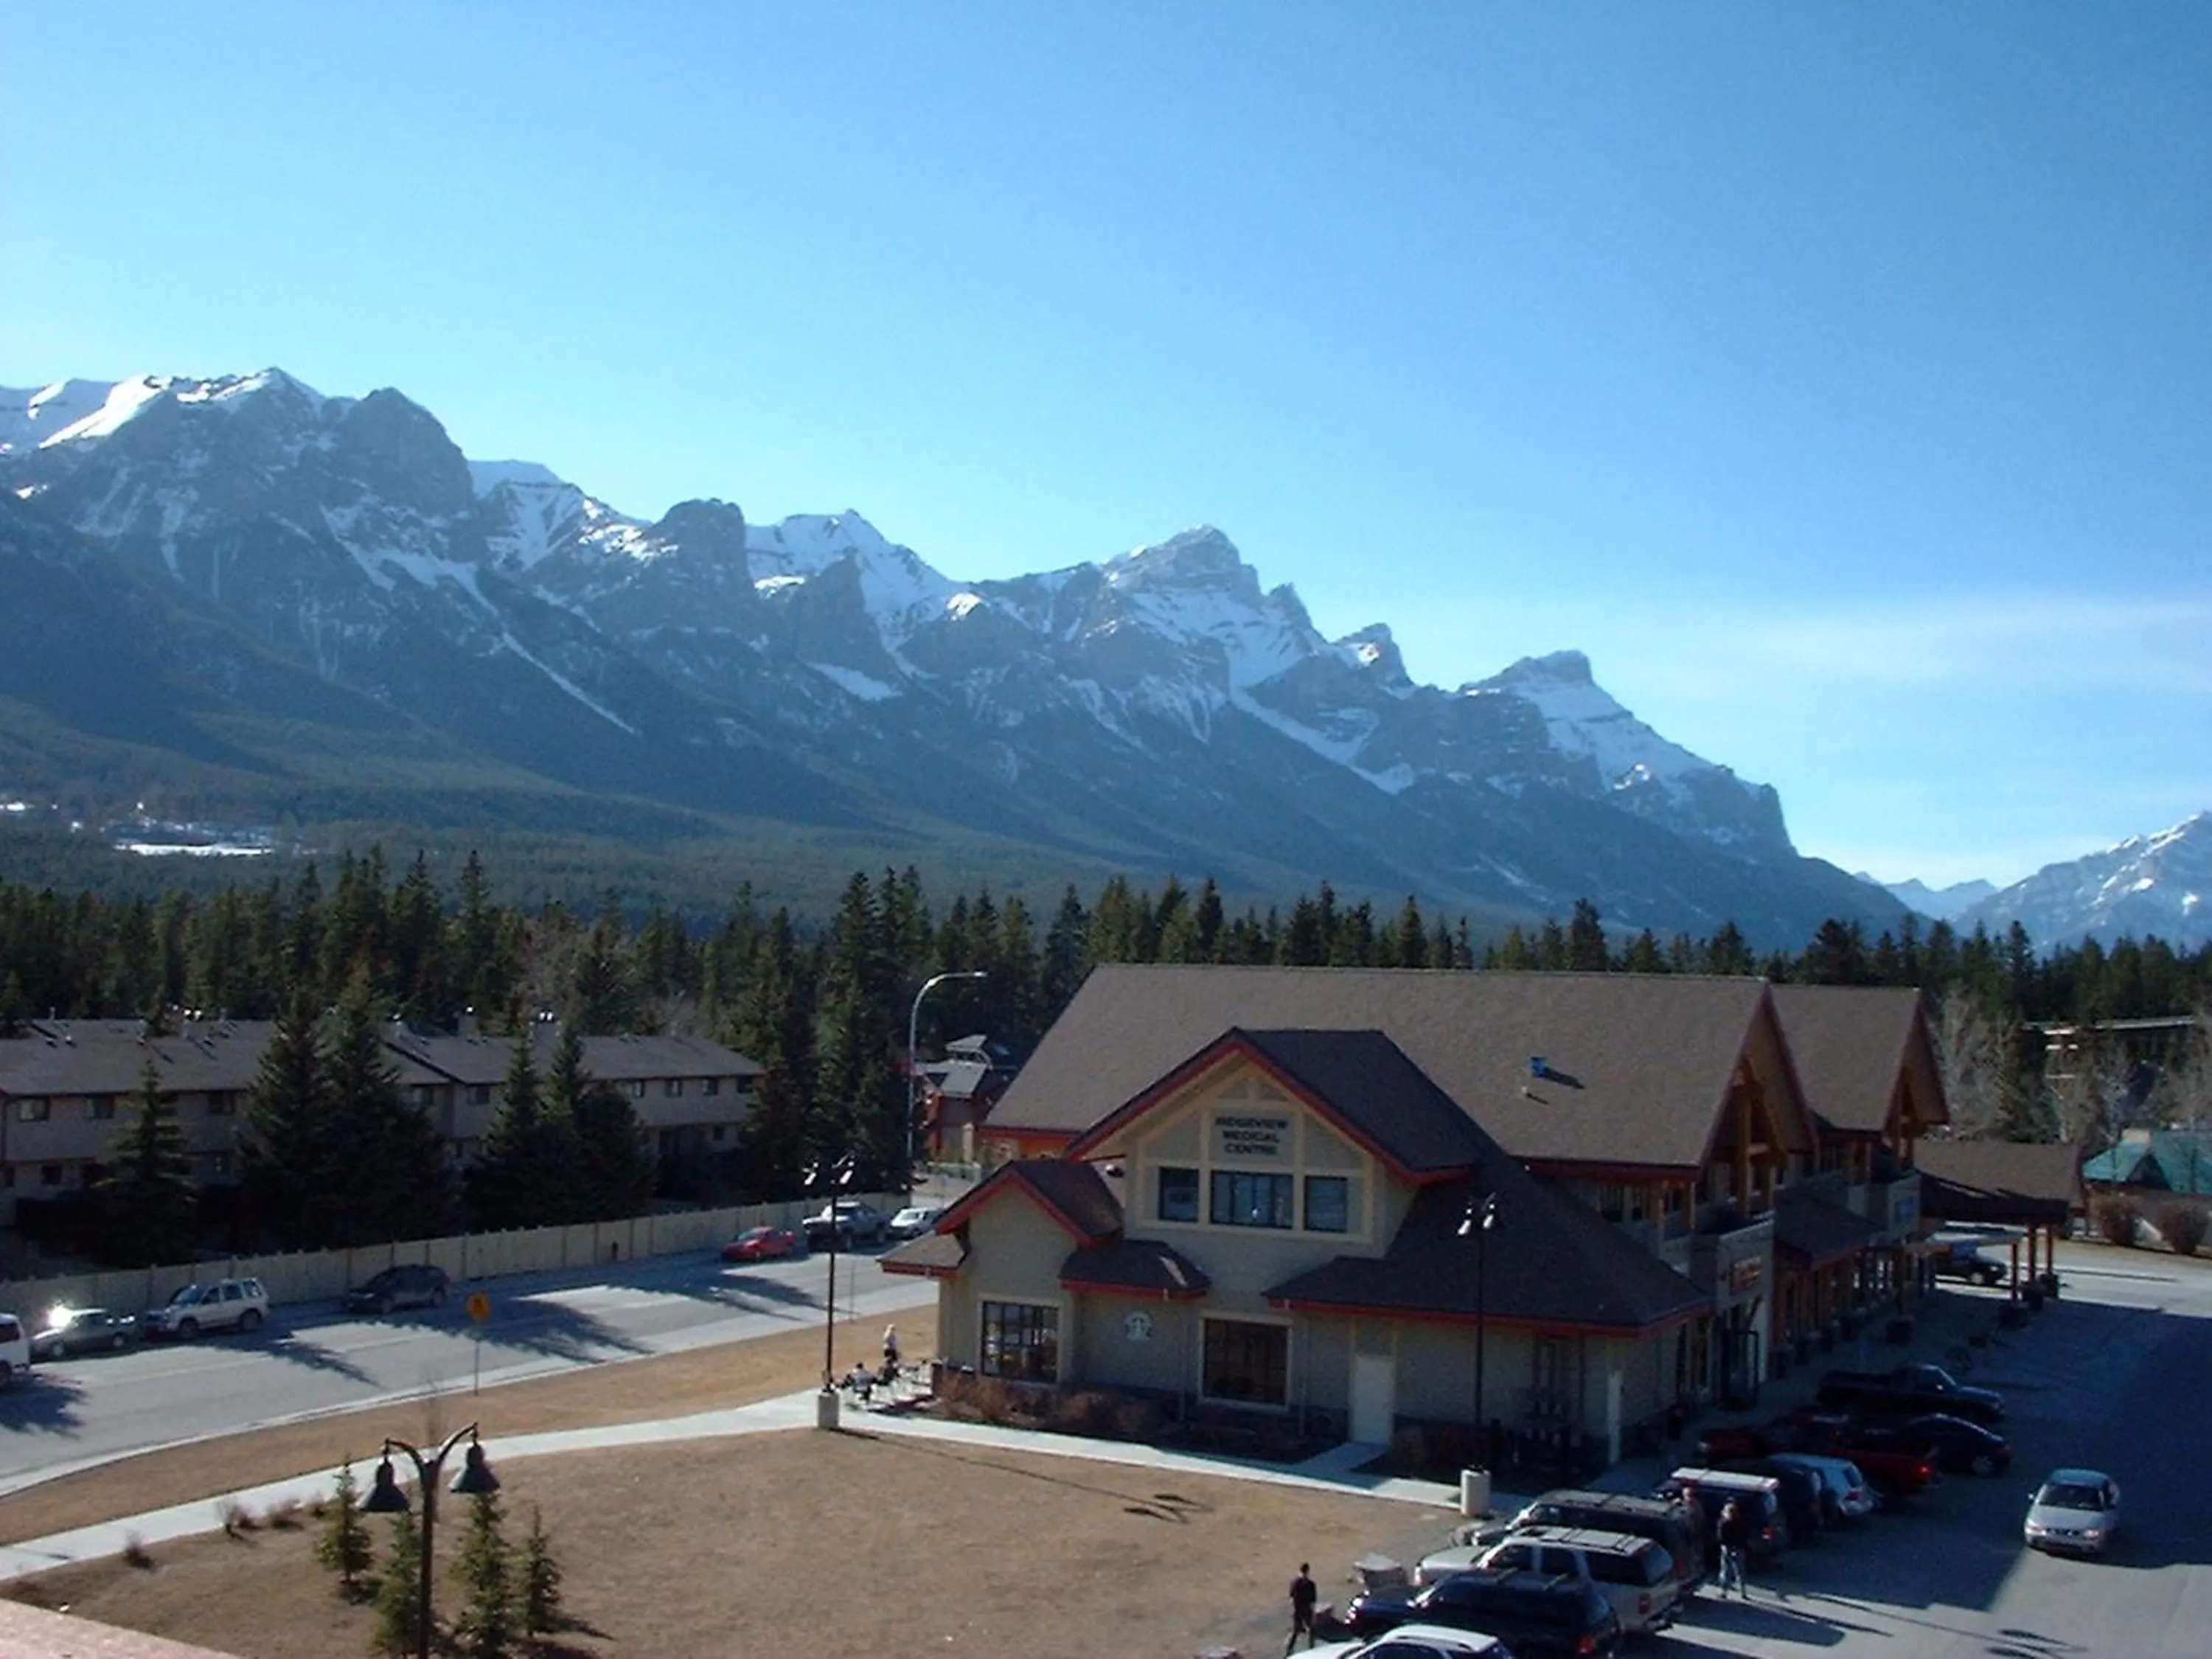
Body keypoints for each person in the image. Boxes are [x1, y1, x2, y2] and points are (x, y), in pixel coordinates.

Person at [1717, 1498, 1750, 1598]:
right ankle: (1743, 1591)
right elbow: (1745, 1536)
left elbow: (1721, 1537)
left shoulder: (1724, 1523)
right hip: (1740, 1548)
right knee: (1740, 1571)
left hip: (1728, 1547)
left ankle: (1724, 1591)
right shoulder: (1741, 1522)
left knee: (1726, 1570)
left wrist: (1725, 1545)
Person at [1284, 1562, 1318, 1654]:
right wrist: (1314, 1614)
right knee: (1312, 1629)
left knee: (1296, 1630)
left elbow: (1291, 1597)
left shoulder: (1294, 1583)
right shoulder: (1311, 1584)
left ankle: (1289, 1648)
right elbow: (1313, 1601)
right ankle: (1312, 1648)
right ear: (1308, 1571)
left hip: (1297, 1610)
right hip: (1307, 1610)